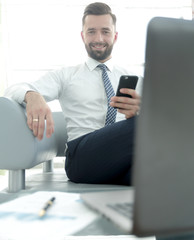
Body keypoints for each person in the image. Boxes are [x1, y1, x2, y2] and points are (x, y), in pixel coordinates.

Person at [4, 2, 141, 185]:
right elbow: (12, 89)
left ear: (115, 37)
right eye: (91, 31)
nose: (98, 38)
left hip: (118, 159)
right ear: (82, 36)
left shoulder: (135, 79)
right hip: (82, 157)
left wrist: (138, 114)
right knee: (147, 125)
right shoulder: (66, 75)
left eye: (105, 32)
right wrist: (32, 95)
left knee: (158, 173)